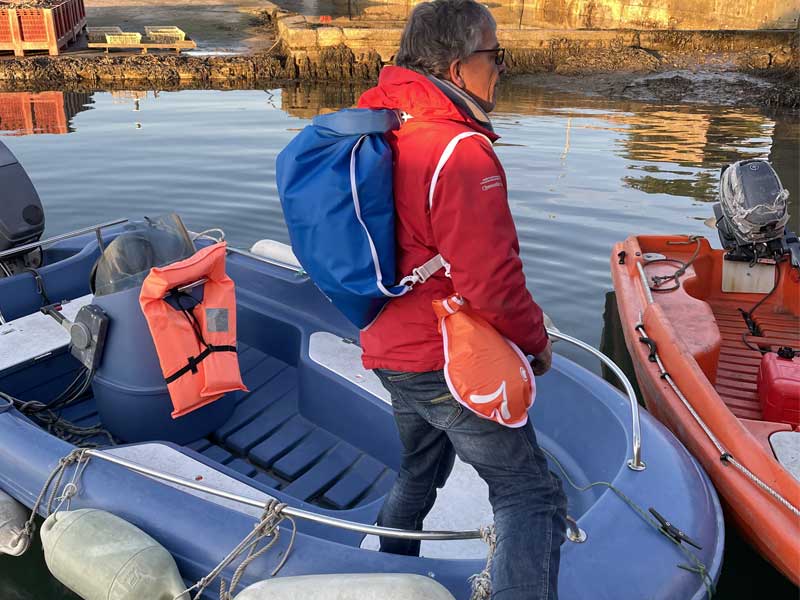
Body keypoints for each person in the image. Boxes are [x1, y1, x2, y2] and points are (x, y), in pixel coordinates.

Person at [356, 1, 568, 598]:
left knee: (420, 464)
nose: (501, 69)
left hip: (387, 346)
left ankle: (386, 566)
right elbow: (492, 283)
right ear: (456, 69)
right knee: (531, 491)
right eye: (493, 56)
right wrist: (536, 344)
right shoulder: (461, 152)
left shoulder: (387, 129)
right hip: (439, 357)